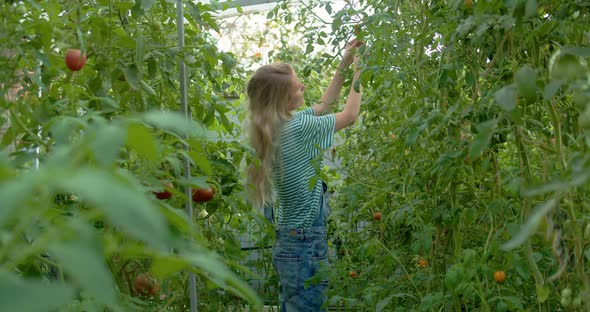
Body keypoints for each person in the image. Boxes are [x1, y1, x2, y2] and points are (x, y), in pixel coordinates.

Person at [246, 39, 362, 311]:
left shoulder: (276, 125)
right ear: (284, 99)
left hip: (290, 242)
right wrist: (359, 71)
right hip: (304, 244)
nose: (304, 87)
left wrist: (344, 63)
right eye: (298, 87)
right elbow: (350, 115)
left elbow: (324, 104)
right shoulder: (297, 127)